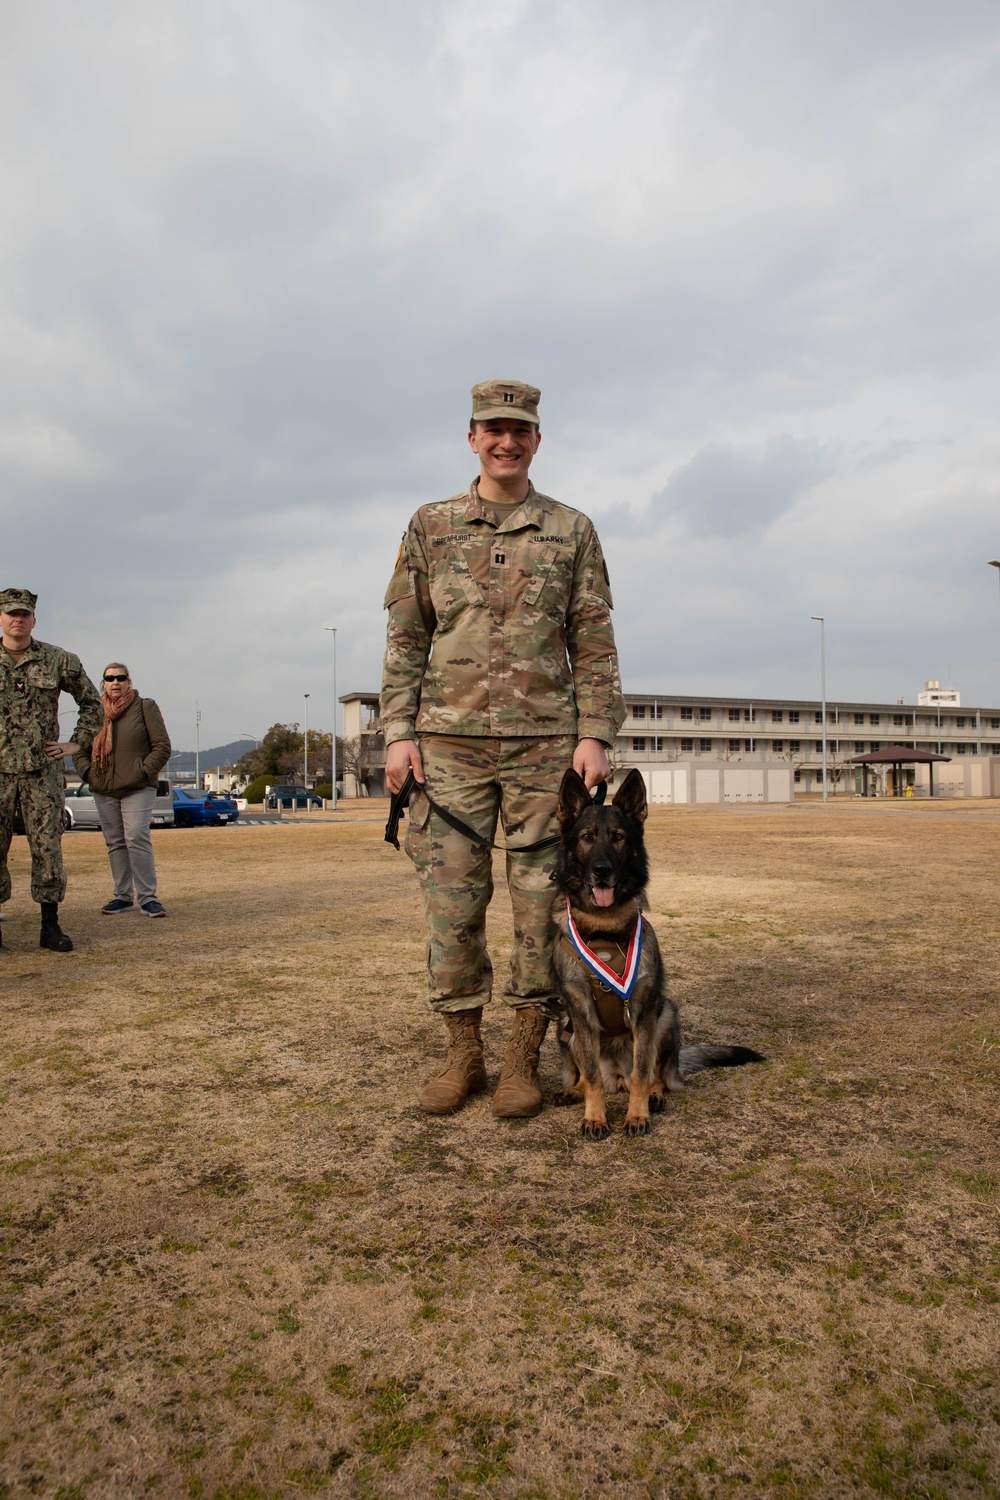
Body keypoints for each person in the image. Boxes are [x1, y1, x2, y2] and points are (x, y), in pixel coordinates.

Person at [380, 379, 625, 1118]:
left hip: (545, 752)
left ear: (537, 440)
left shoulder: (571, 529)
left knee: (541, 906)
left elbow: (593, 639)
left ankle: (523, 1056)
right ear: (472, 436)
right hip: (447, 746)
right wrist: (397, 732)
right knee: (451, 906)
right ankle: (463, 1054)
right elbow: (405, 636)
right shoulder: (431, 524)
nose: (506, 441)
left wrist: (594, 733)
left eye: (520, 430)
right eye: (493, 428)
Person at [0, 587, 103, 951]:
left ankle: (50, 926)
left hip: (41, 773)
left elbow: (93, 704)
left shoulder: (59, 660)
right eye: (12, 613)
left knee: (46, 847)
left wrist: (75, 743)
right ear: (1, 617)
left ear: (33, 619)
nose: (18, 619)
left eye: (24, 614)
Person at [73, 663, 172, 918]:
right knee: (115, 842)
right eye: (110, 678)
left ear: (129, 681)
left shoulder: (145, 707)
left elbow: (161, 746)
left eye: (121, 677)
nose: (115, 682)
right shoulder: (93, 712)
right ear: (103, 682)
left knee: (136, 837)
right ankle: (123, 896)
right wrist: (88, 774)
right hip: (103, 787)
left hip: (138, 786)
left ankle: (149, 897)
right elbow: (79, 748)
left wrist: (140, 771)